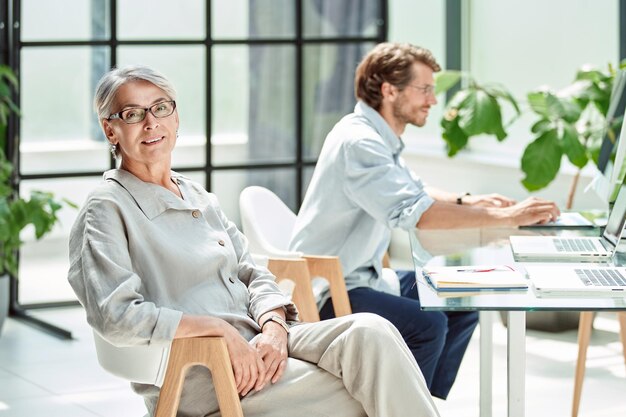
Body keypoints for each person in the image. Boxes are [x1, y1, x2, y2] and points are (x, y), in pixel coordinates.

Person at [67, 65, 442, 417]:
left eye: (160, 108)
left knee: (371, 333)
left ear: (176, 119)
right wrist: (217, 329)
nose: (150, 122)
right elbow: (116, 316)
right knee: (372, 384)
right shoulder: (105, 209)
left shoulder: (197, 195)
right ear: (111, 130)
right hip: (199, 369)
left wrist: (275, 330)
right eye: (132, 114)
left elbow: (254, 273)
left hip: (257, 342)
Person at [289, 42, 561, 400]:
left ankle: (426, 404)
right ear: (389, 91)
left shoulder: (375, 135)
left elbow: (415, 191)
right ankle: (403, 407)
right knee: (428, 324)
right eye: (425, 89)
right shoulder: (360, 142)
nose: (433, 100)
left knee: (462, 304)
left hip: (364, 276)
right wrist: (507, 216)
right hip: (330, 289)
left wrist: (469, 200)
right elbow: (419, 214)